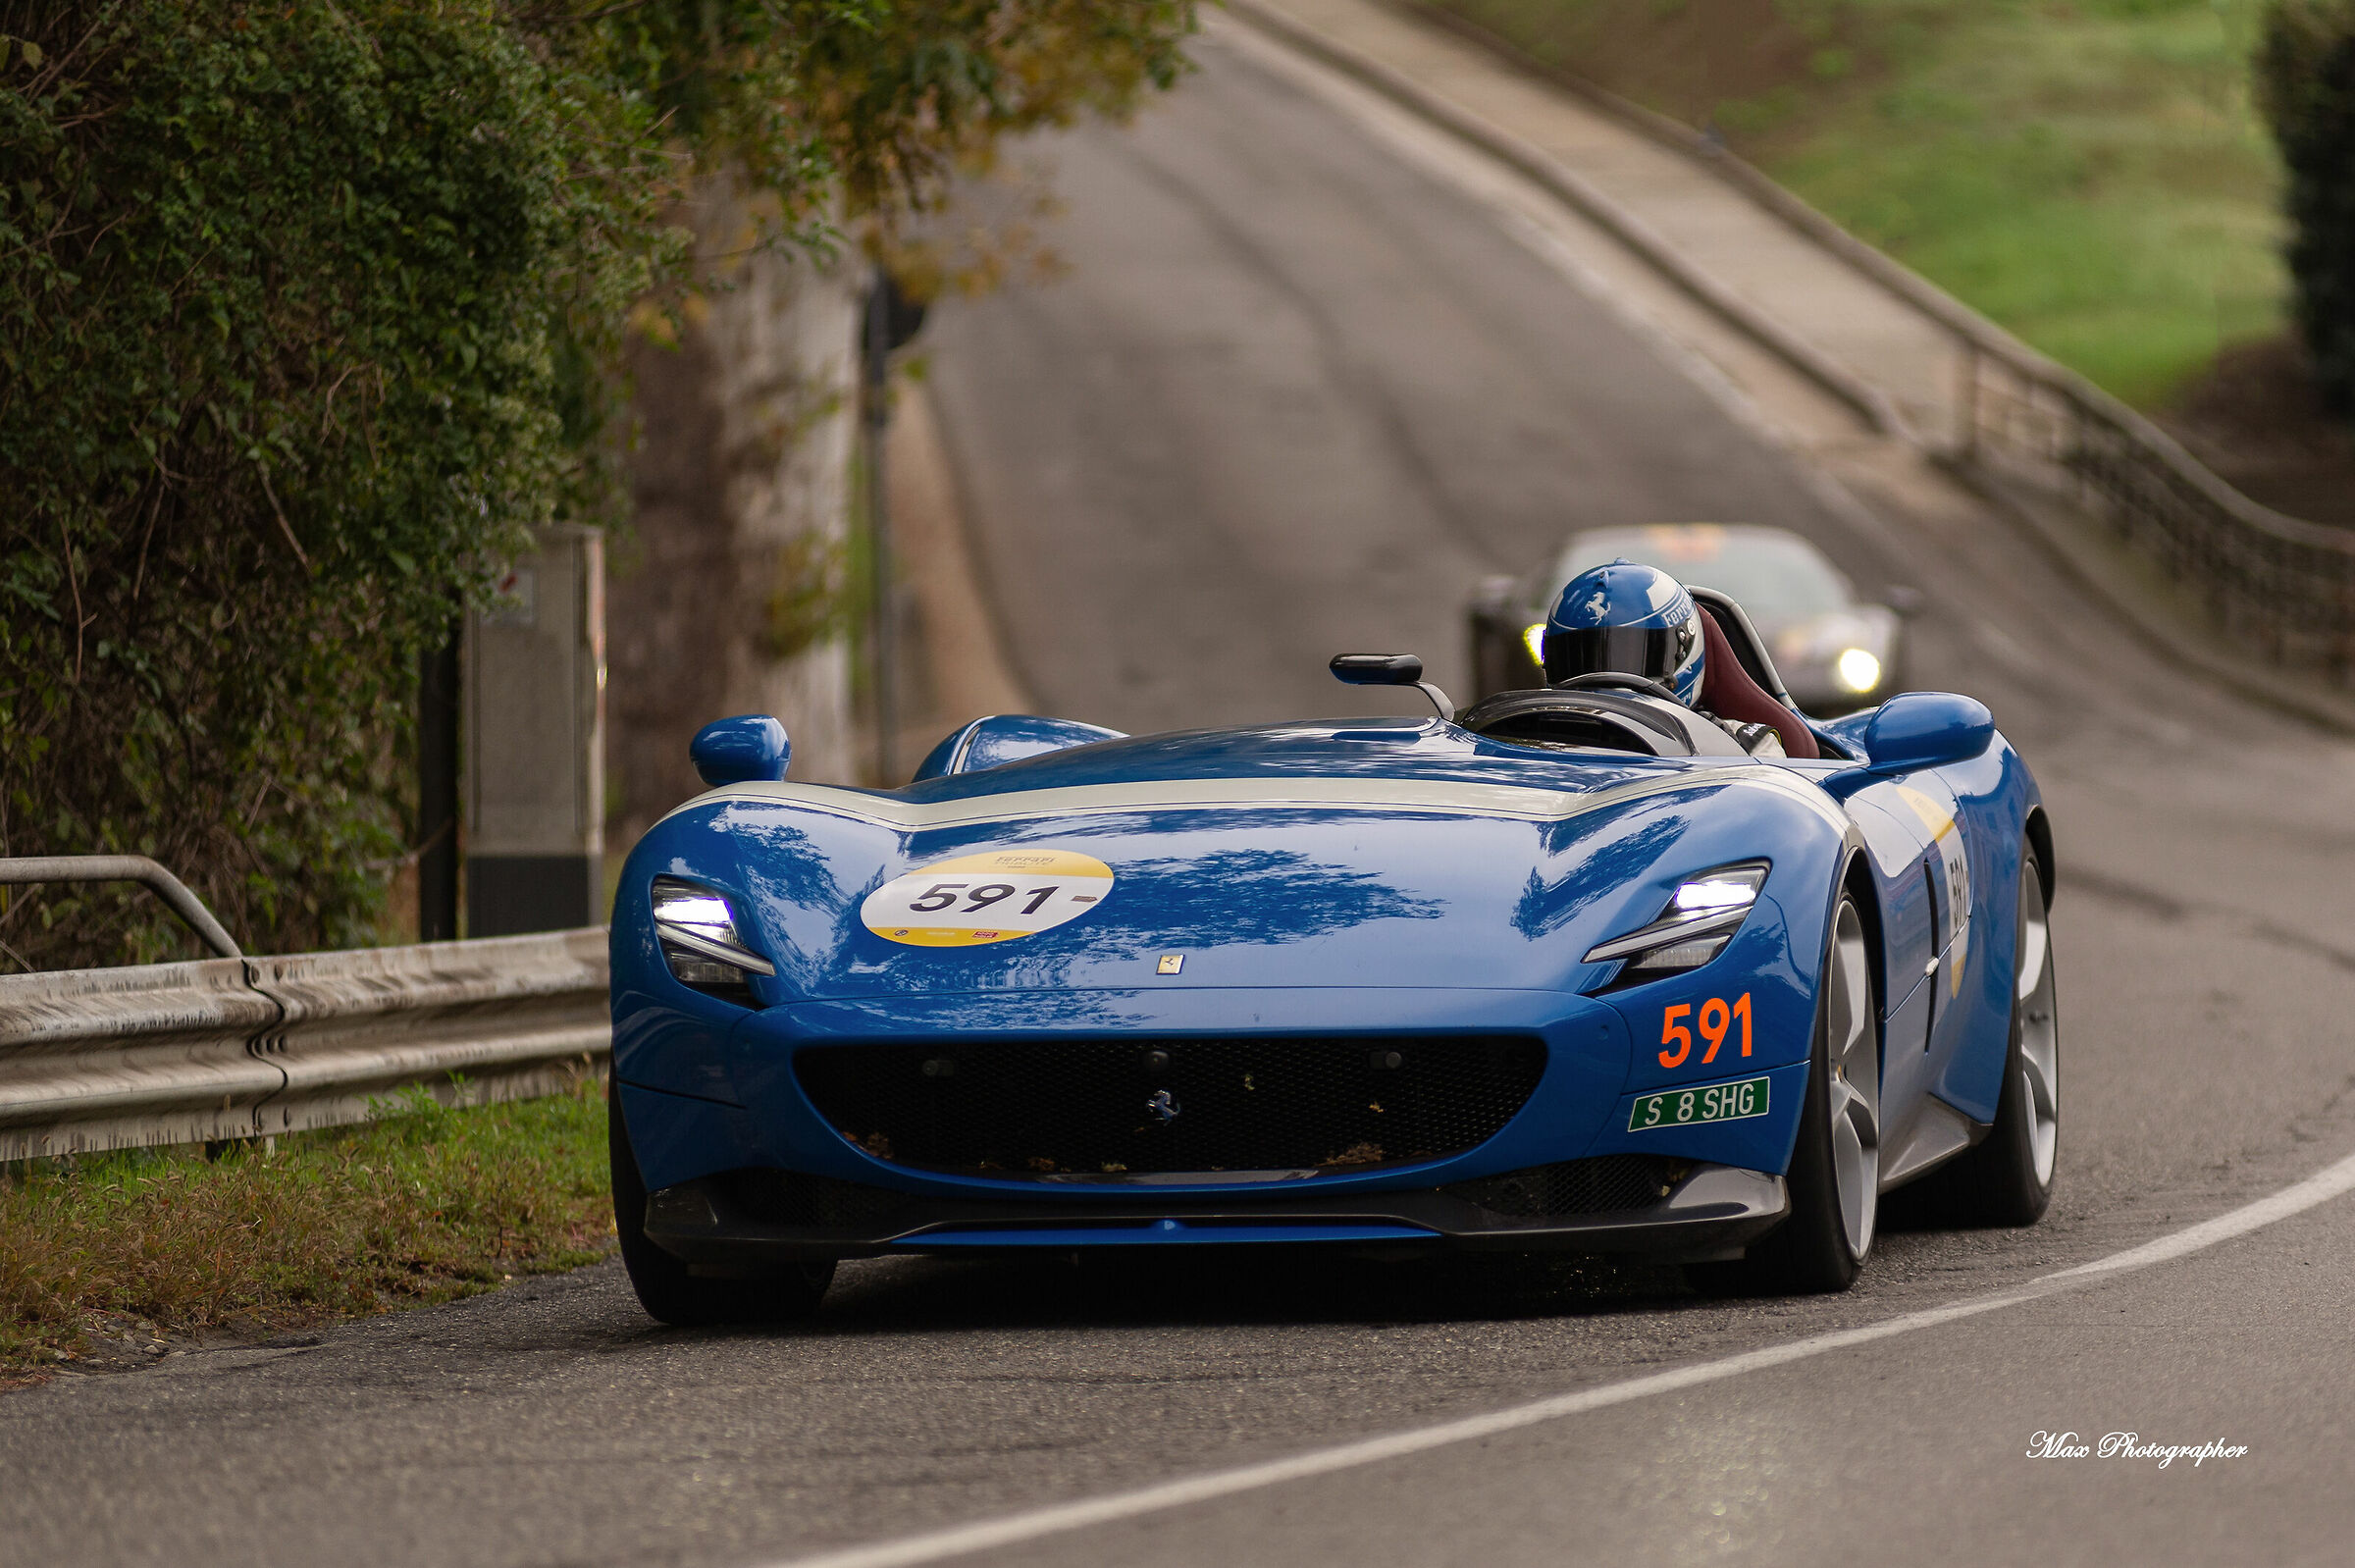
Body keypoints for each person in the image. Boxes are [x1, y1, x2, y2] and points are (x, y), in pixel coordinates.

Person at [1541, 558, 1791, 757]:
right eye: (1582, 657)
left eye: (1633, 656)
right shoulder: (1526, 739)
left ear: (1685, 645)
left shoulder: (1745, 748)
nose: (1604, 680)